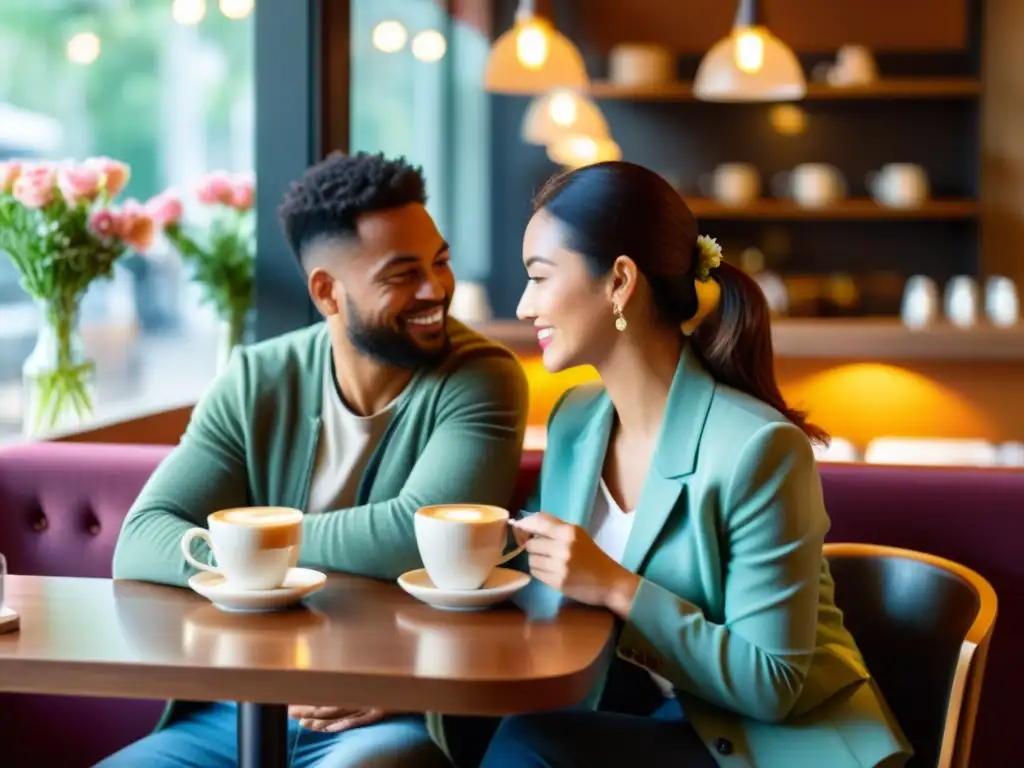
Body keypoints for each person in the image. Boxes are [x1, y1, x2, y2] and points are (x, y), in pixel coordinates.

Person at [474, 161, 912, 767]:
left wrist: (616, 587)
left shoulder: (760, 449)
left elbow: (774, 683)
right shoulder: (576, 421)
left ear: (619, 282)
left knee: (530, 747)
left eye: (540, 278)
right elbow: (548, 597)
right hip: (650, 718)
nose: (524, 306)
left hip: (776, 744)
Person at [101, 152, 528, 767]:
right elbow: (141, 539)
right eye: (402, 274)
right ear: (327, 292)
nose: (437, 289)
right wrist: (263, 559)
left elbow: (416, 536)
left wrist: (256, 548)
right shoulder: (257, 377)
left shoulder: (480, 378)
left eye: (440, 261)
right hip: (237, 704)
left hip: (387, 707)